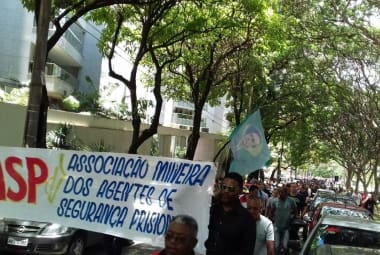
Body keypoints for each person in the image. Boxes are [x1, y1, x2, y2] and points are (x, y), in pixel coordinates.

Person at [205, 172, 256, 255]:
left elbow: (247, 251)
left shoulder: (247, 219)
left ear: (240, 191)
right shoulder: (212, 210)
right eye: (223, 187)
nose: (226, 191)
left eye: (231, 189)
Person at [269, 186, 297, 255]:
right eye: (280, 192)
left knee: (285, 246)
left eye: (282, 192)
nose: (281, 194)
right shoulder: (274, 201)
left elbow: (295, 211)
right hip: (276, 226)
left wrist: (292, 217)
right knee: (276, 245)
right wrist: (271, 221)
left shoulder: (291, 201)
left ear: (286, 193)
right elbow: (271, 212)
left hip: (286, 227)